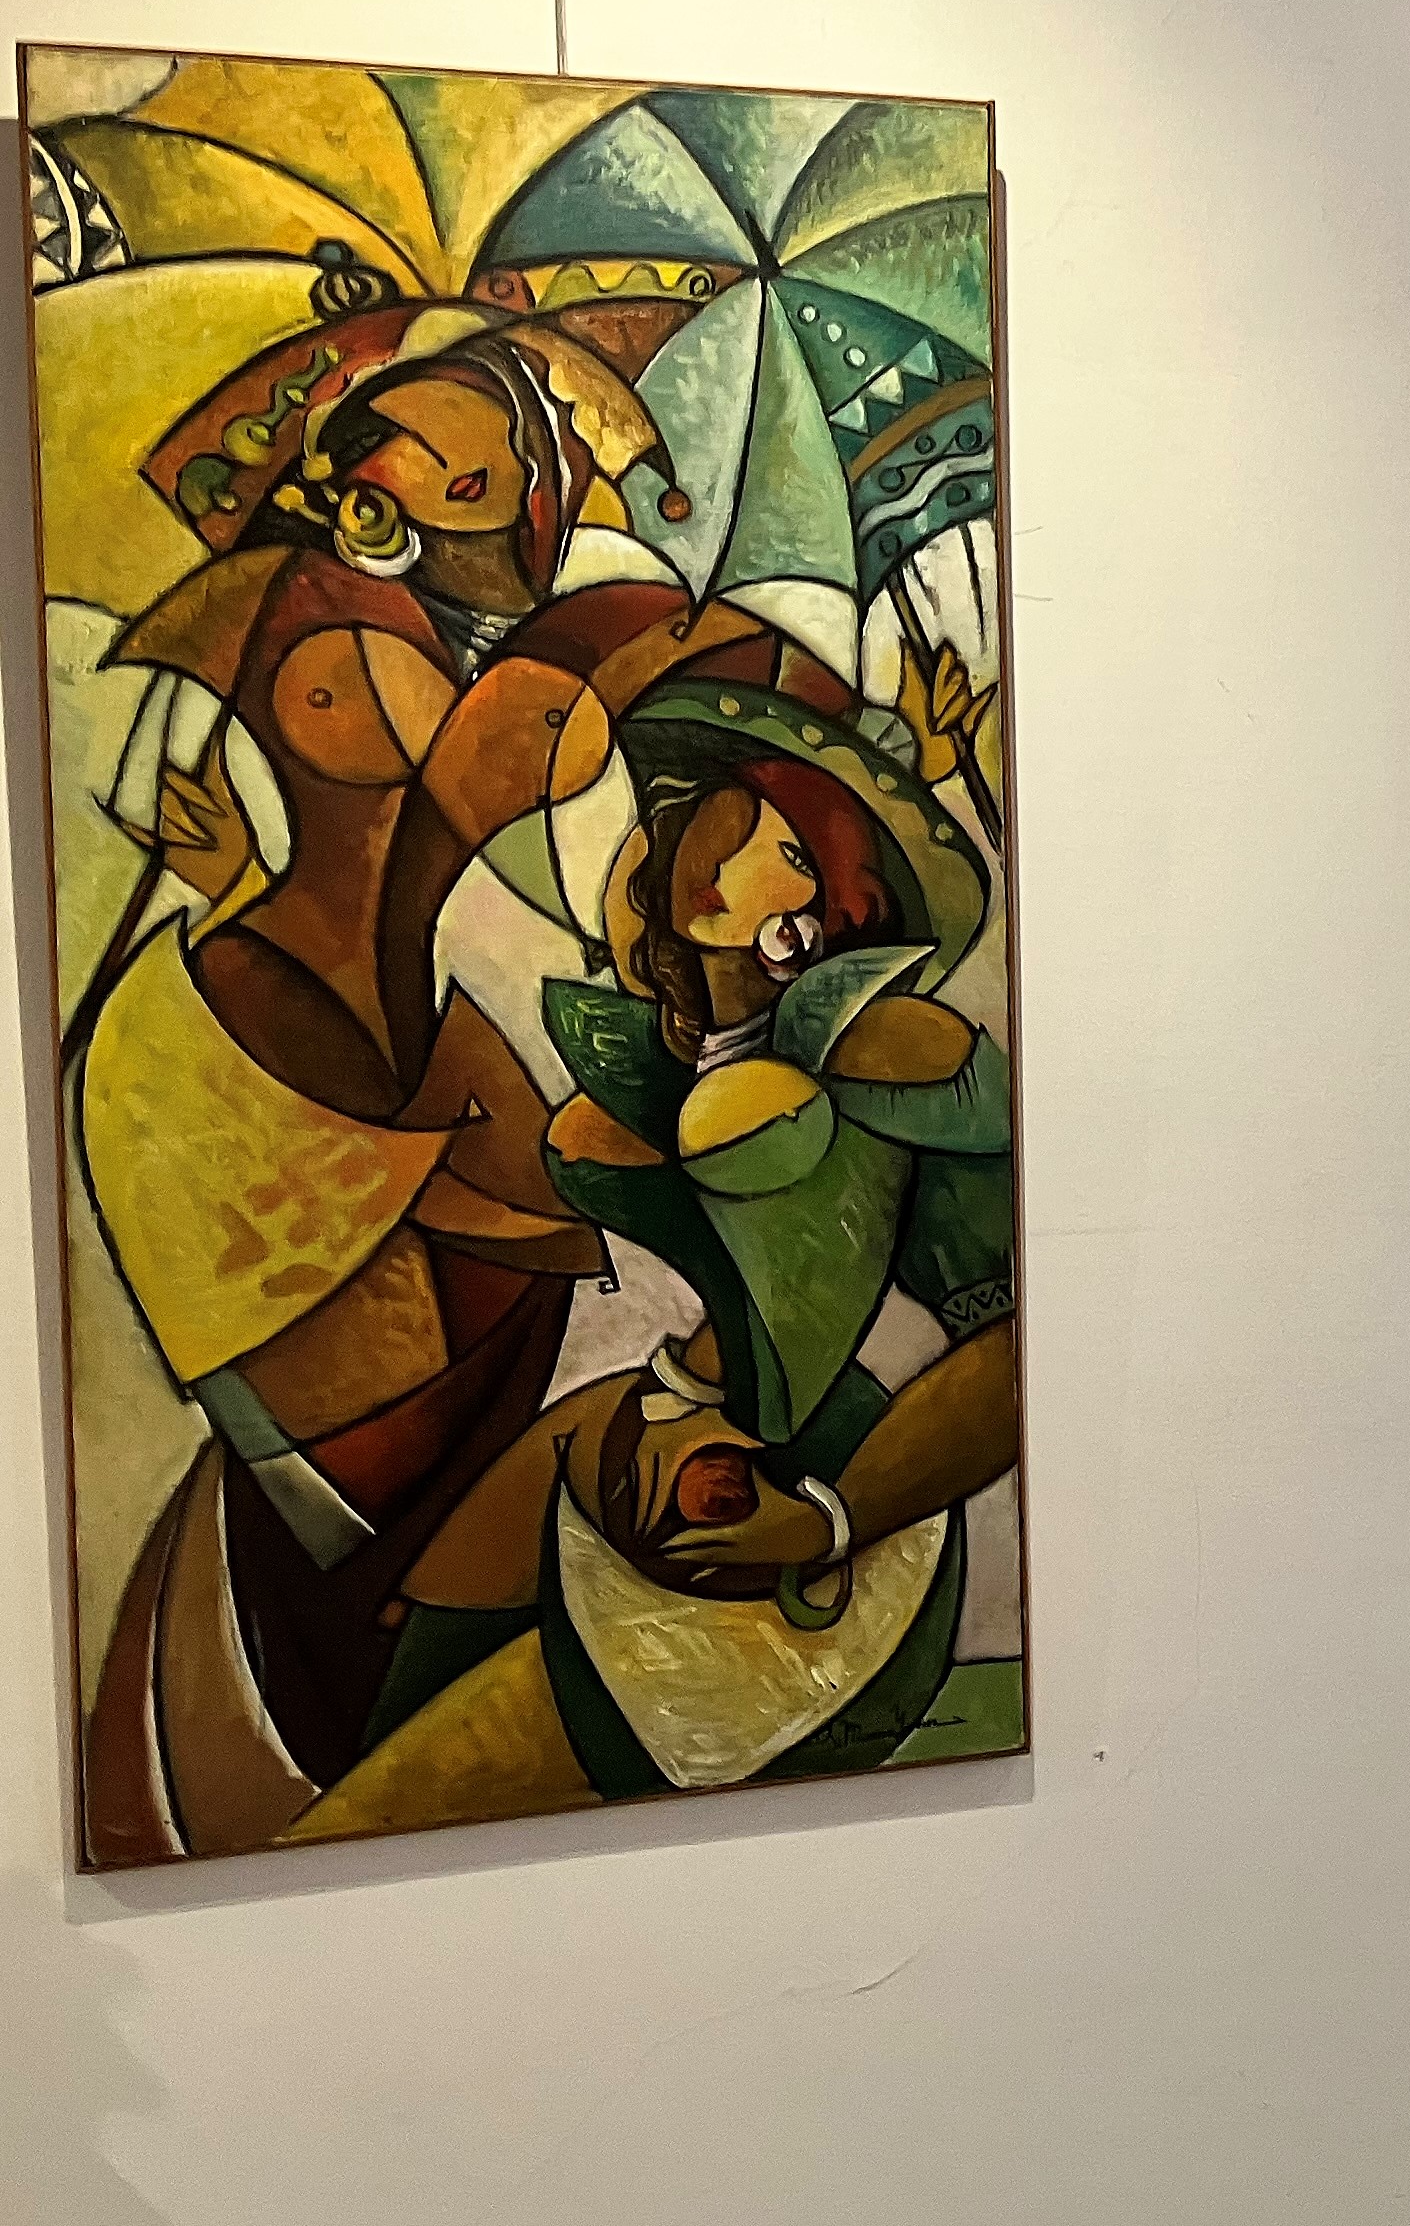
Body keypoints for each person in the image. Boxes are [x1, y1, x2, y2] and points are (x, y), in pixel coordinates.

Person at [74, 316, 856, 1859]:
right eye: (452, 477)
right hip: (283, 1108)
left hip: (393, 1109)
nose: (484, 513)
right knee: (357, 1533)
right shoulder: (350, 642)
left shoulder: (479, 730)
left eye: (499, 481)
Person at [290, 687, 1016, 1833]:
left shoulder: (897, 1056)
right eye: (717, 827)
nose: (716, 857)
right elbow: (755, 1279)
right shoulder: (672, 1065)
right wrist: (678, 1389)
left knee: (372, 1825)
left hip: (840, 1525)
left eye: (783, 847)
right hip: (693, 1445)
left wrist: (826, 1519)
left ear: (834, 894)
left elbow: (1009, 1356)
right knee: (432, 1641)